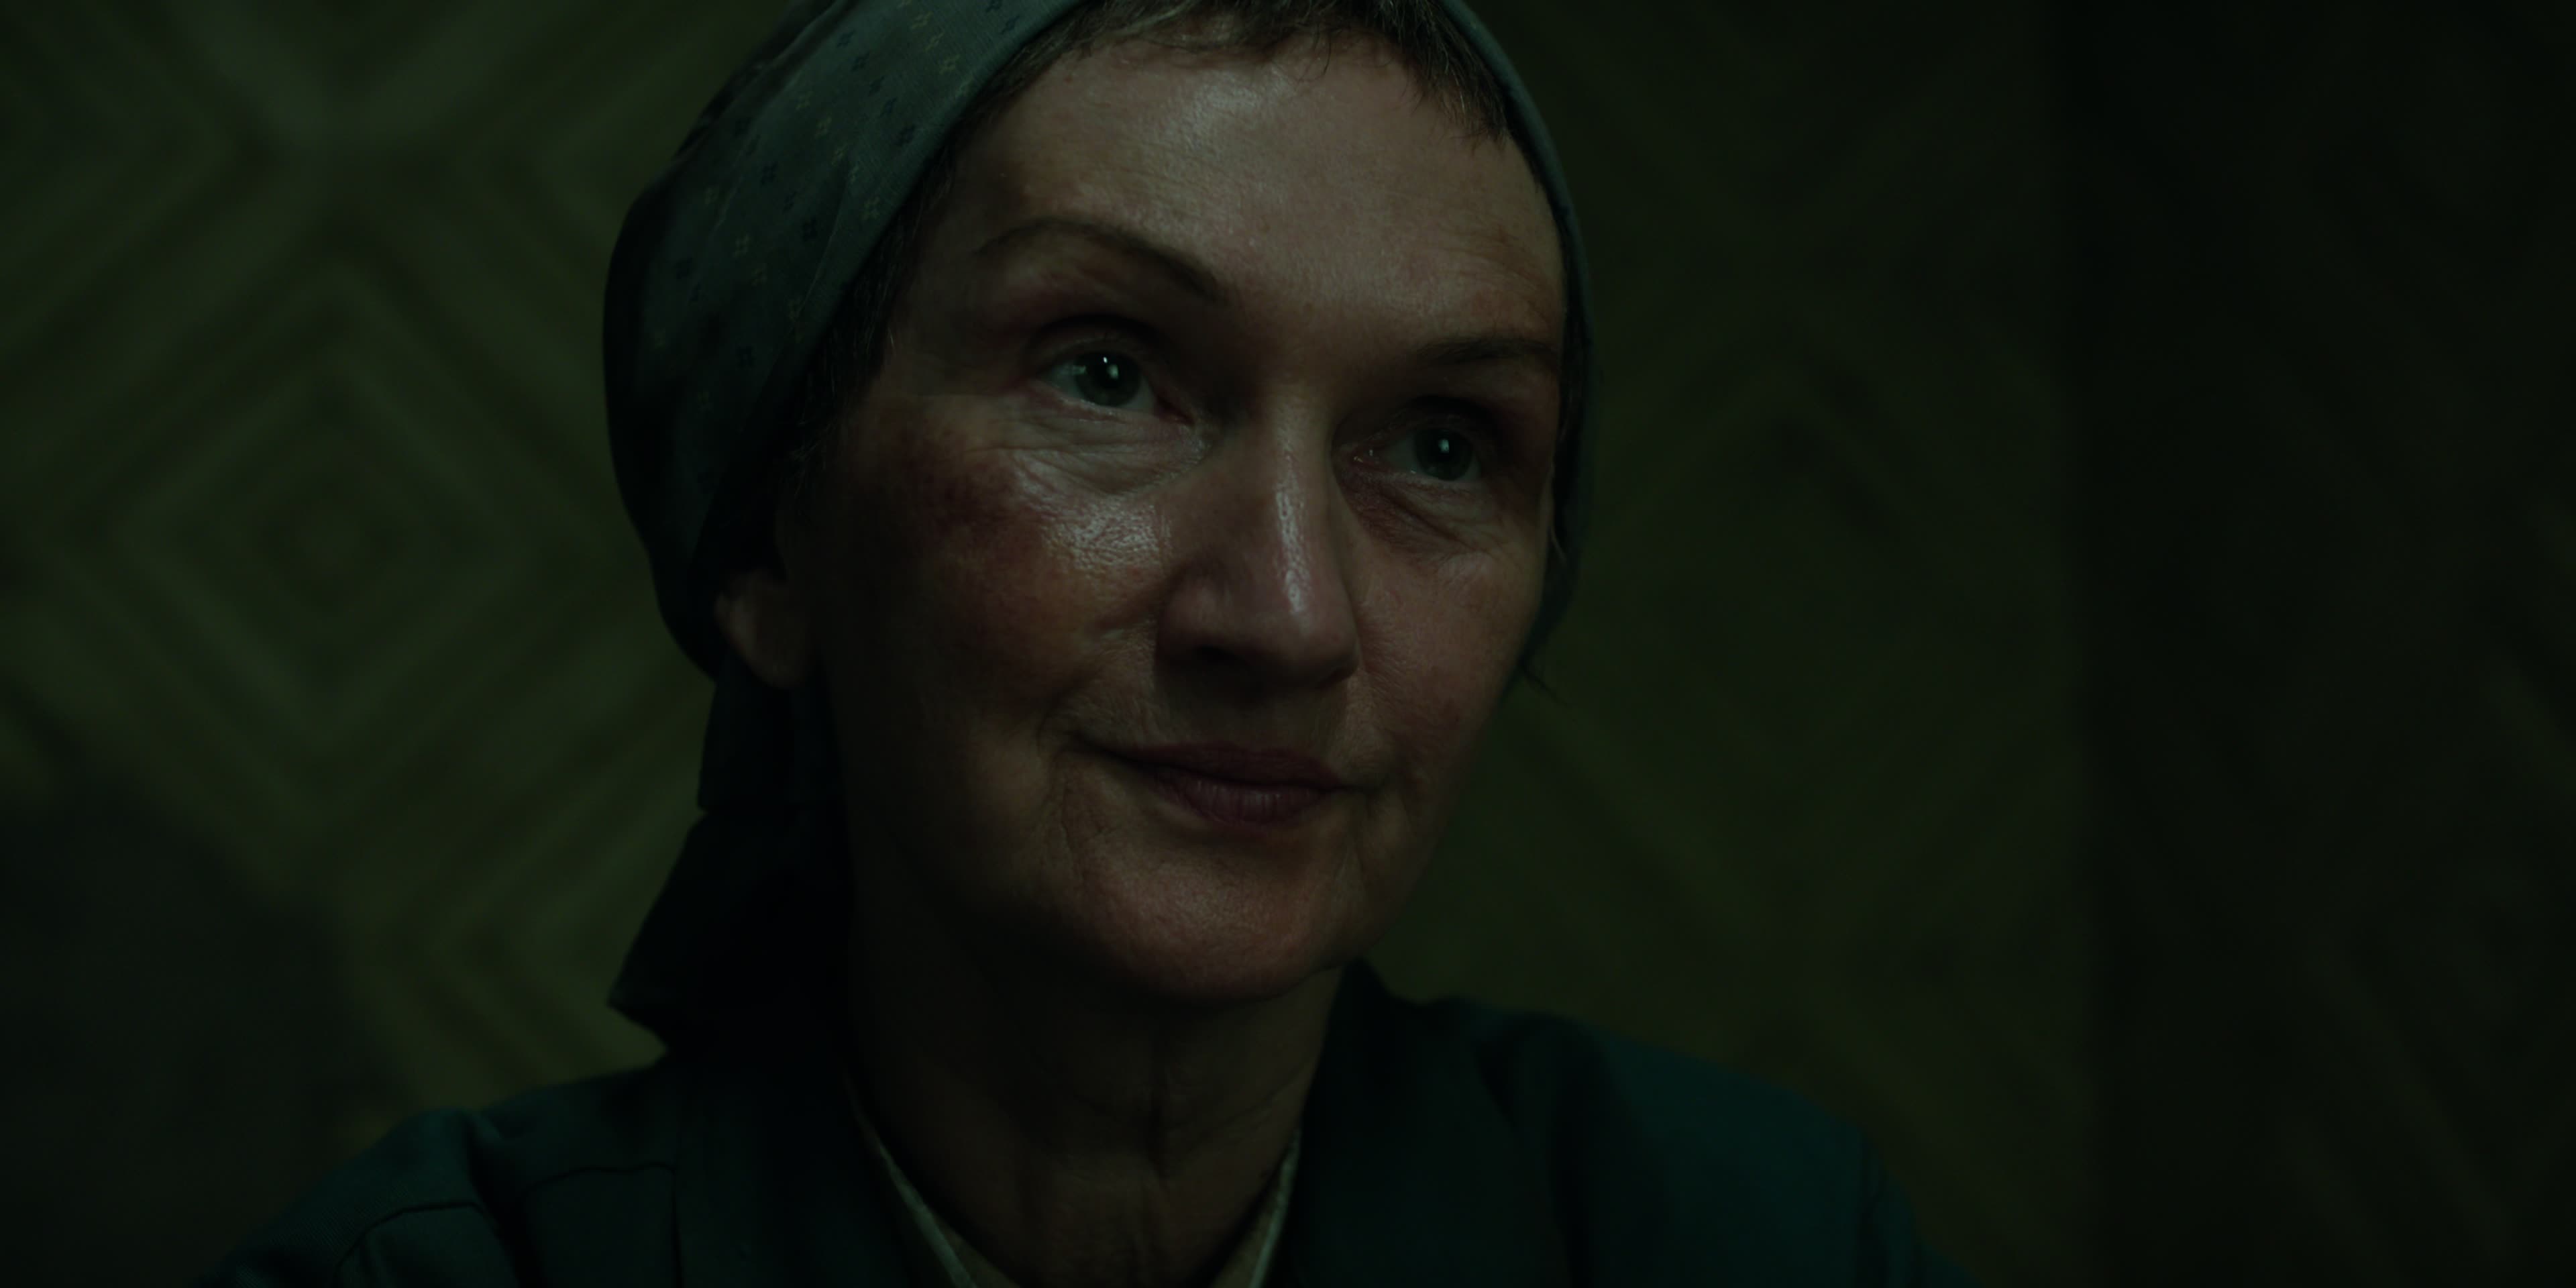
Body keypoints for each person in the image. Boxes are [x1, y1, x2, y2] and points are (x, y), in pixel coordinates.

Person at [197, 1, 1984, 1284]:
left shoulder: (1754, 1239)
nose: (1289, 615)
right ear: (770, 539)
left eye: (1445, 448)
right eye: (1107, 375)